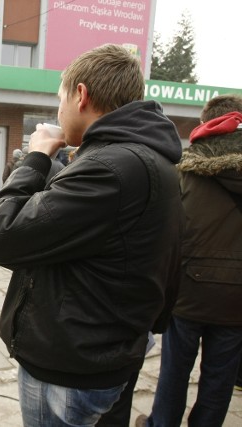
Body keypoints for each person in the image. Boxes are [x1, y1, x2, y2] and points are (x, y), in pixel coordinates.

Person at [0, 44, 184, 426]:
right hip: (110, 349)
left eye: (60, 101)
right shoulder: (151, 159)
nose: (59, 112)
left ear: (81, 96)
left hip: (71, 365)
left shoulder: (110, 167)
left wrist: (35, 157)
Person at [136, 94, 242, 427]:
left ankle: (161, 424)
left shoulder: (186, 170)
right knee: (220, 378)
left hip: (189, 291)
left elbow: (165, 232)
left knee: (175, 371)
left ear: (205, 124)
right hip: (237, 298)